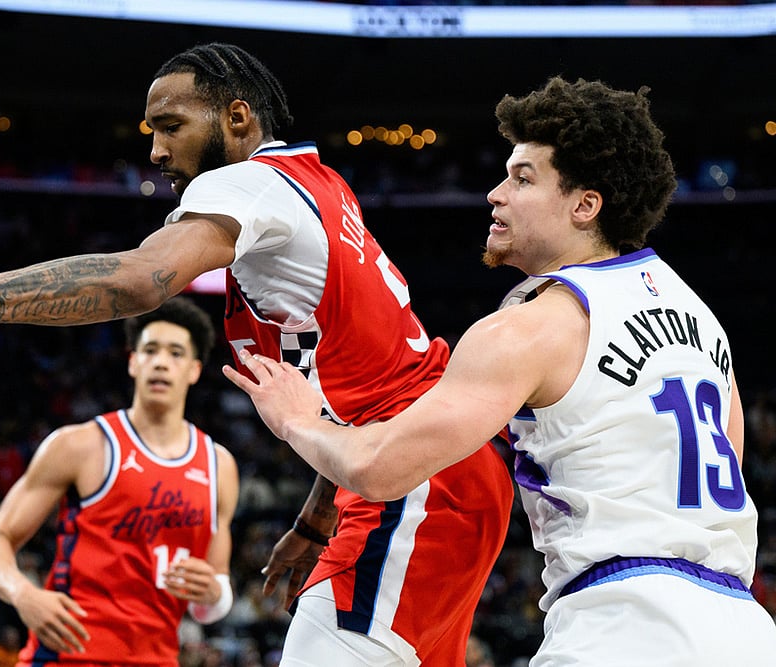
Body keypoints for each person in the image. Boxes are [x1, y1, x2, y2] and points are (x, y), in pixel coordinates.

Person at [0, 43, 513, 665]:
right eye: (150, 132)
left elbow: (140, 278)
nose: (157, 149)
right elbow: (353, 379)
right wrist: (317, 515)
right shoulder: (322, 187)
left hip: (415, 478)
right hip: (435, 468)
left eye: (170, 125)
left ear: (236, 117)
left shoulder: (246, 182)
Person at [223, 76, 776, 665]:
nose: (495, 193)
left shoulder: (533, 326)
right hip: (743, 626)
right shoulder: (704, 321)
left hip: (624, 624)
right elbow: (730, 472)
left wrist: (299, 421)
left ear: (585, 205)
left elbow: (380, 470)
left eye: (522, 178)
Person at [0, 297, 240, 664]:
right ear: (133, 362)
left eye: (176, 353)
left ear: (194, 370)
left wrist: (213, 593)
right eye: (150, 350)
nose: (161, 361)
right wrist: (24, 594)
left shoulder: (219, 465)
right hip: (68, 655)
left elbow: (213, 598)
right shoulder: (80, 445)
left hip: (158, 657)